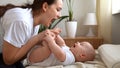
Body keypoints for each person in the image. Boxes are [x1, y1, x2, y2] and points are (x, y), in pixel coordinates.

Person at [0, 0, 63, 68]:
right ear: (45, 6)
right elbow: (8, 60)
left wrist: (41, 41)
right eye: (58, 10)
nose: (60, 15)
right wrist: (37, 39)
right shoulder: (22, 21)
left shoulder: (34, 23)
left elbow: (19, 53)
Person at [27, 31, 96, 67]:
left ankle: (47, 41)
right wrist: (56, 35)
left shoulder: (71, 58)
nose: (78, 42)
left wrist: (51, 42)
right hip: (36, 53)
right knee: (55, 44)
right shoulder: (69, 50)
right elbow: (62, 44)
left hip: (36, 60)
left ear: (82, 55)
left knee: (49, 49)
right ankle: (46, 40)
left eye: (81, 44)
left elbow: (60, 54)